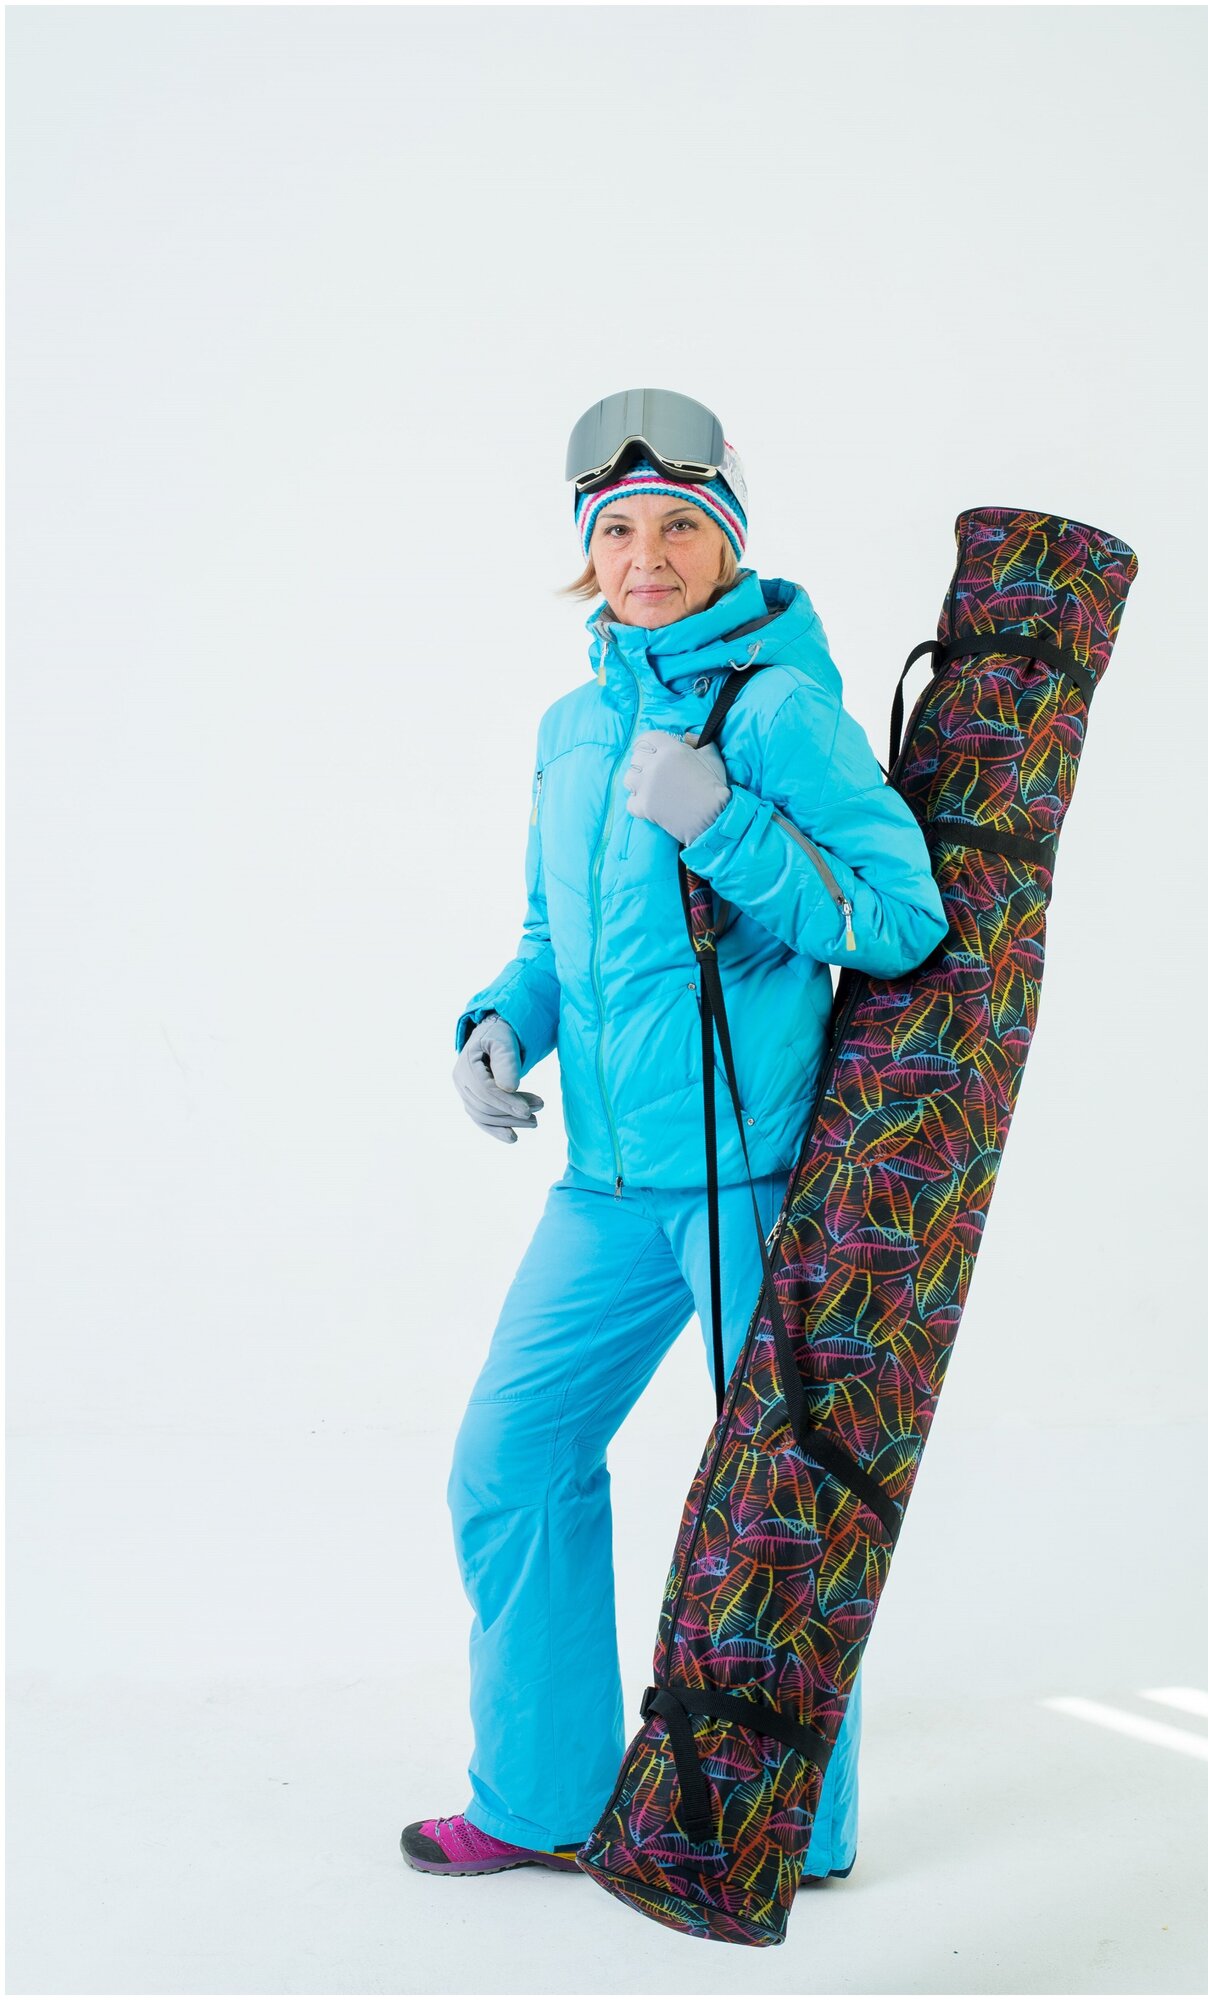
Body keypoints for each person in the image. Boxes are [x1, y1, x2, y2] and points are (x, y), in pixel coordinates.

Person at [401, 389, 949, 1887]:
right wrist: (499, 1025)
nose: (646, 558)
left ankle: (795, 1836)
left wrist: (724, 822)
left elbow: (900, 920)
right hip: (605, 1188)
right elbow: (553, 937)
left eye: (680, 530)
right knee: (512, 1461)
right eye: (619, 531)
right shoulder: (571, 726)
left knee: (776, 1501)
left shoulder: (777, 713)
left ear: (730, 543)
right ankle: (541, 1800)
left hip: (747, 1179)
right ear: (588, 552)